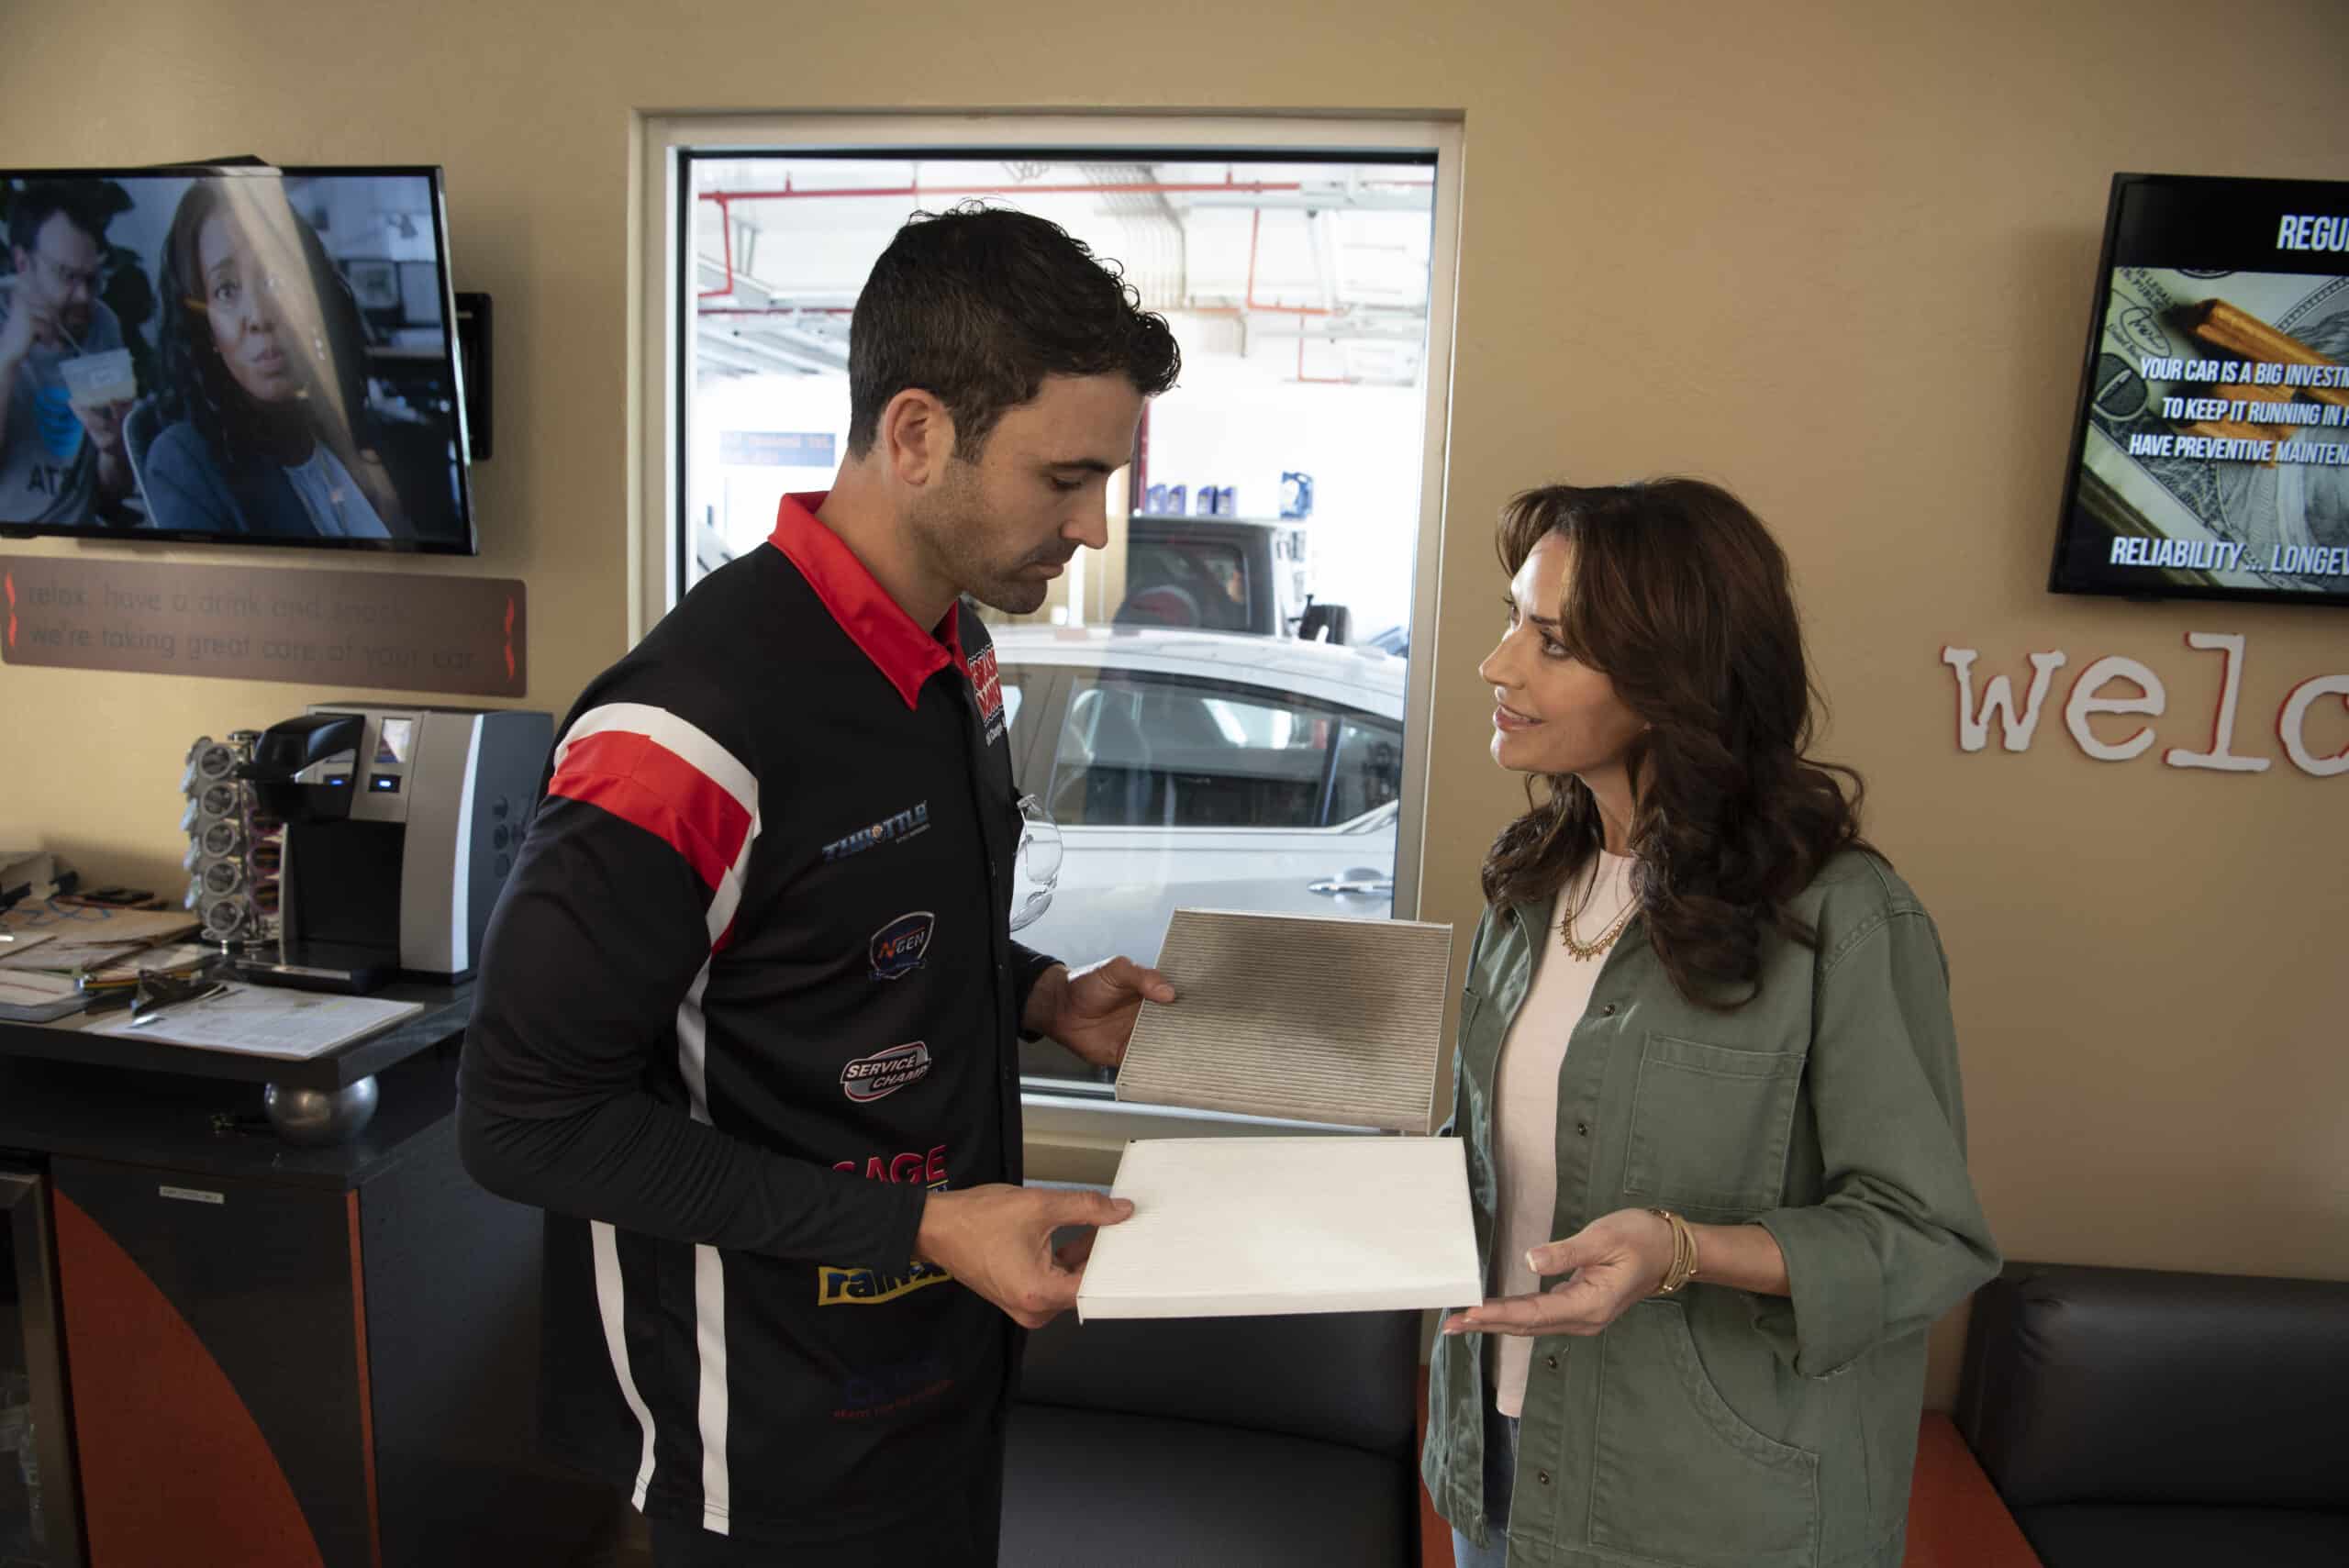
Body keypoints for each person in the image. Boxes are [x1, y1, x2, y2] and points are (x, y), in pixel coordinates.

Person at [459, 206, 1184, 1566]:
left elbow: (846, 931)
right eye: (1067, 477)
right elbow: (519, 1122)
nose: (1093, 525)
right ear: (915, 436)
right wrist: (917, 1219)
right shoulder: (685, 730)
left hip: (943, 1362)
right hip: (769, 1429)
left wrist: (1038, 997)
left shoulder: (949, 637)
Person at [1422, 479, 2000, 1568]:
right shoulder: (1531, 890)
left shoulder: (1840, 917)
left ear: (1669, 677)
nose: (1500, 664)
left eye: (1552, 641)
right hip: (1496, 1467)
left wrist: (1682, 1248)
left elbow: (1930, 1237)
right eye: (1513, 620)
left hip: (1714, 1515)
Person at [144, 176, 409, 540]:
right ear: (206, 329)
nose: (259, 316)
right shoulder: (183, 462)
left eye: (275, 279)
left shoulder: (355, 429)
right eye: (226, 289)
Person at [0, 182, 134, 525]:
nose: (83, 297)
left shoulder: (103, 324)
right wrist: (8, 359)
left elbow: (111, 493)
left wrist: (113, 451)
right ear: (23, 263)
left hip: (77, 544)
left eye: (92, 279)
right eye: (67, 276)